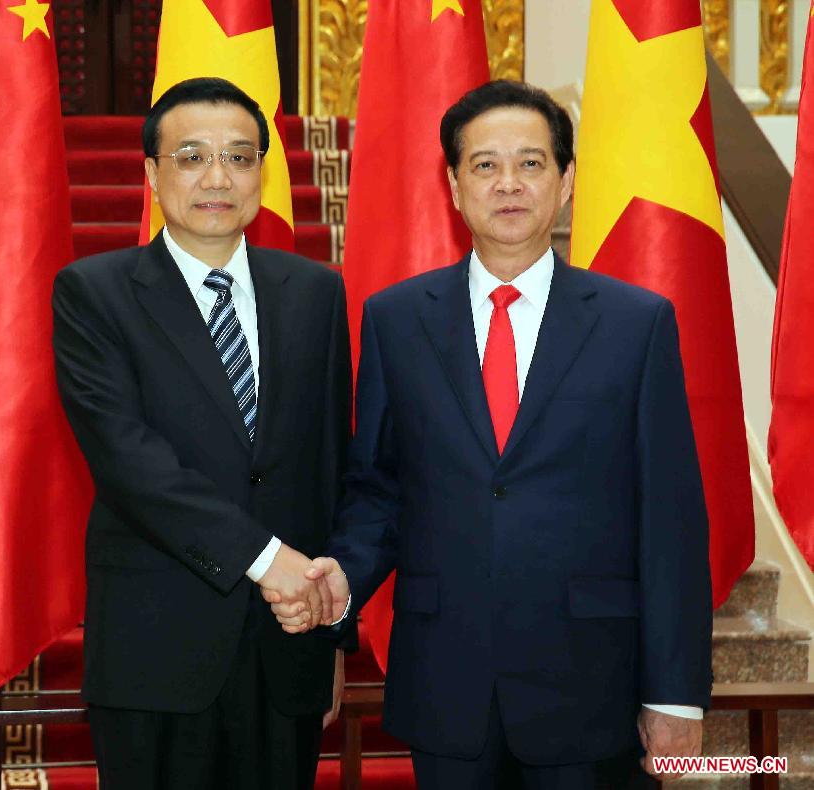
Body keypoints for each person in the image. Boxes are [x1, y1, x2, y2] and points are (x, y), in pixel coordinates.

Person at [269, 80, 713, 789]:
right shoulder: (396, 319)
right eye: (484, 165)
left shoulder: (637, 325)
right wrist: (342, 579)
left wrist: (674, 692)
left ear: (566, 181)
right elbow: (379, 492)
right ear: (452, 184)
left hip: (590, 686)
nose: (508, 183)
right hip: (448, 683)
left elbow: (671, 520)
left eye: (531, 164)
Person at [52, 77, 352, 790]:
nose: (218, 177)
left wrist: (331, 630)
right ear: (153, 174)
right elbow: (131, 463)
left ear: (261, 174)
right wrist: (265, 558)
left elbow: (329, 466)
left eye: (240, 157)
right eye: (192, 157)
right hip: (157, 650)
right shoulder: (93, 292)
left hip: (290, 645)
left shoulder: (315, 292)